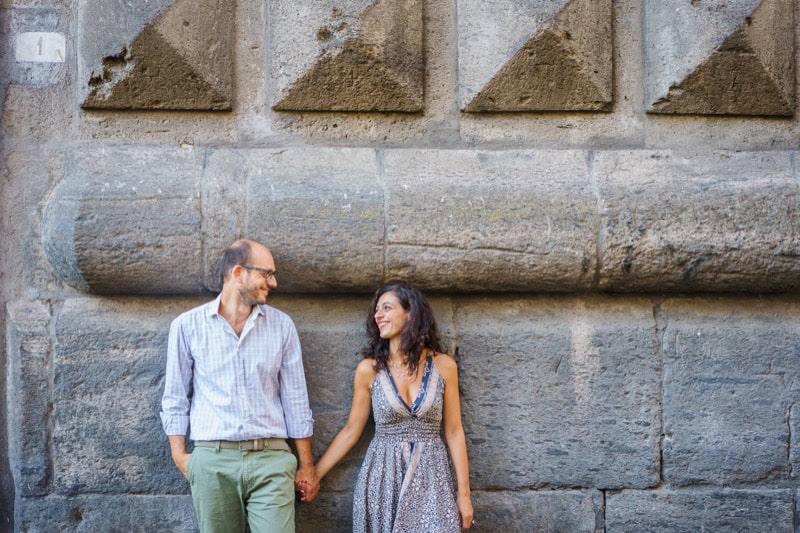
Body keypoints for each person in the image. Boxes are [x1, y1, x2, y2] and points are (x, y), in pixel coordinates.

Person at [160, 239, 319, 533]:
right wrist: (180, 456)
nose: (273, 282)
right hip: (212, 461)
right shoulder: (187, 326)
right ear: (238, 273)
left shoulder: (282, 326)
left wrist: (306, 466)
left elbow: (296, 399)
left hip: (271, 461)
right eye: (266, 273)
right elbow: (175, 397)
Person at [305, 281, 474, 531]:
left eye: (387, 308)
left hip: (431, 476)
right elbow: (351, 431)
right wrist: (314, 474)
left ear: (411, 313)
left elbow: (454, 431)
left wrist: (464, 495)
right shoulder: (369, 371)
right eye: (376, 310)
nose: (378, 315)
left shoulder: (444, 366)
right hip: (383, 478)